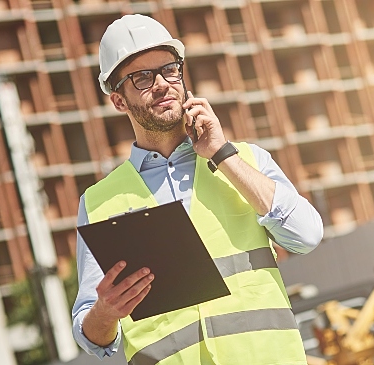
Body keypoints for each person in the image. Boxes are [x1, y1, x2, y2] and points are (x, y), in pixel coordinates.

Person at [71, 14, 324, 365]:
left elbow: (306, 235)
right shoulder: (99, 202)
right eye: (142, 77)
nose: (162, 84)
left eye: (169, 69)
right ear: (119, 101)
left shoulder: (245, 159)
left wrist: (222, 154)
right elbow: (92, 338)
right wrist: (106, 311)